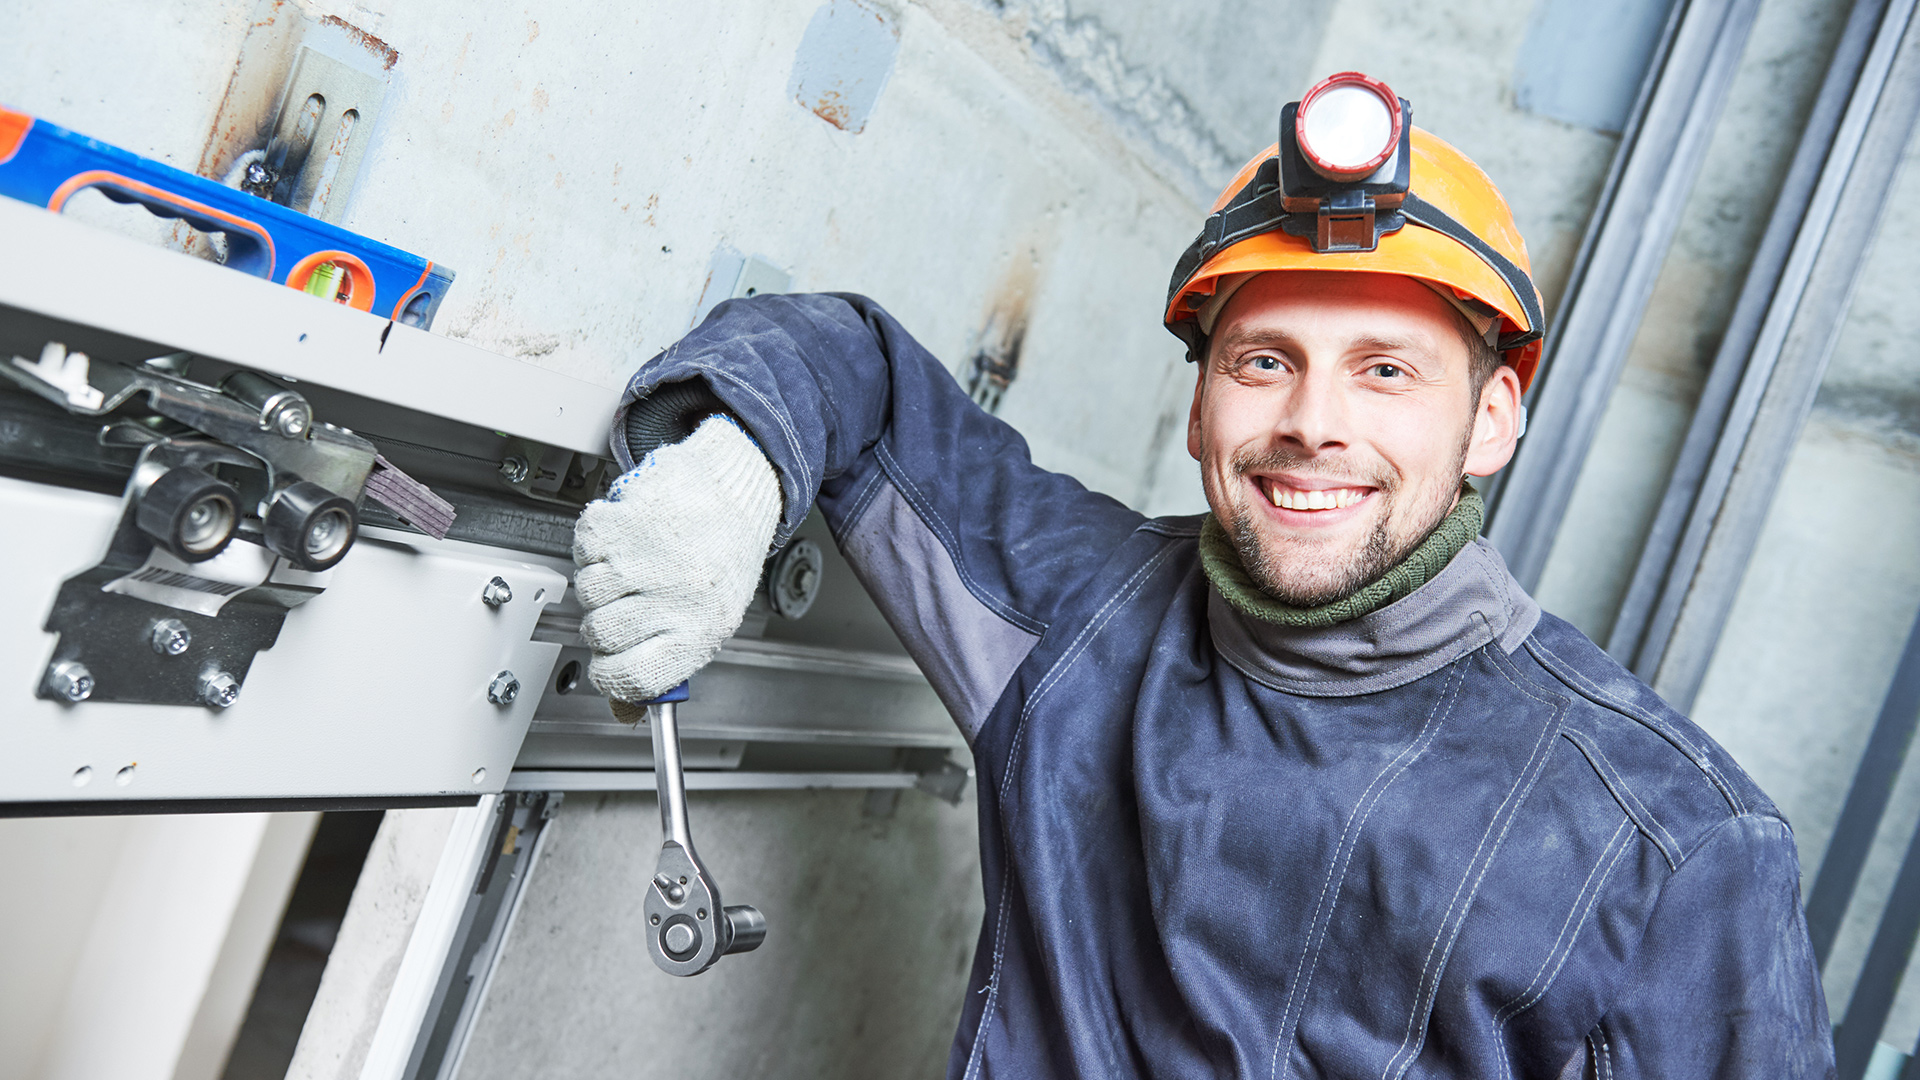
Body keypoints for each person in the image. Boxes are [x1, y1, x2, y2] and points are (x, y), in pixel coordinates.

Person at [570, 74, 1835, 1078]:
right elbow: (855, 361)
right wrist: (731, 474)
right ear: (1199, 404)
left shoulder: (1674, 849)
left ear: (1494, 418)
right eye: (1265, 360)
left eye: (1385, 371)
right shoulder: (1083, 614)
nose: (1313, 425)